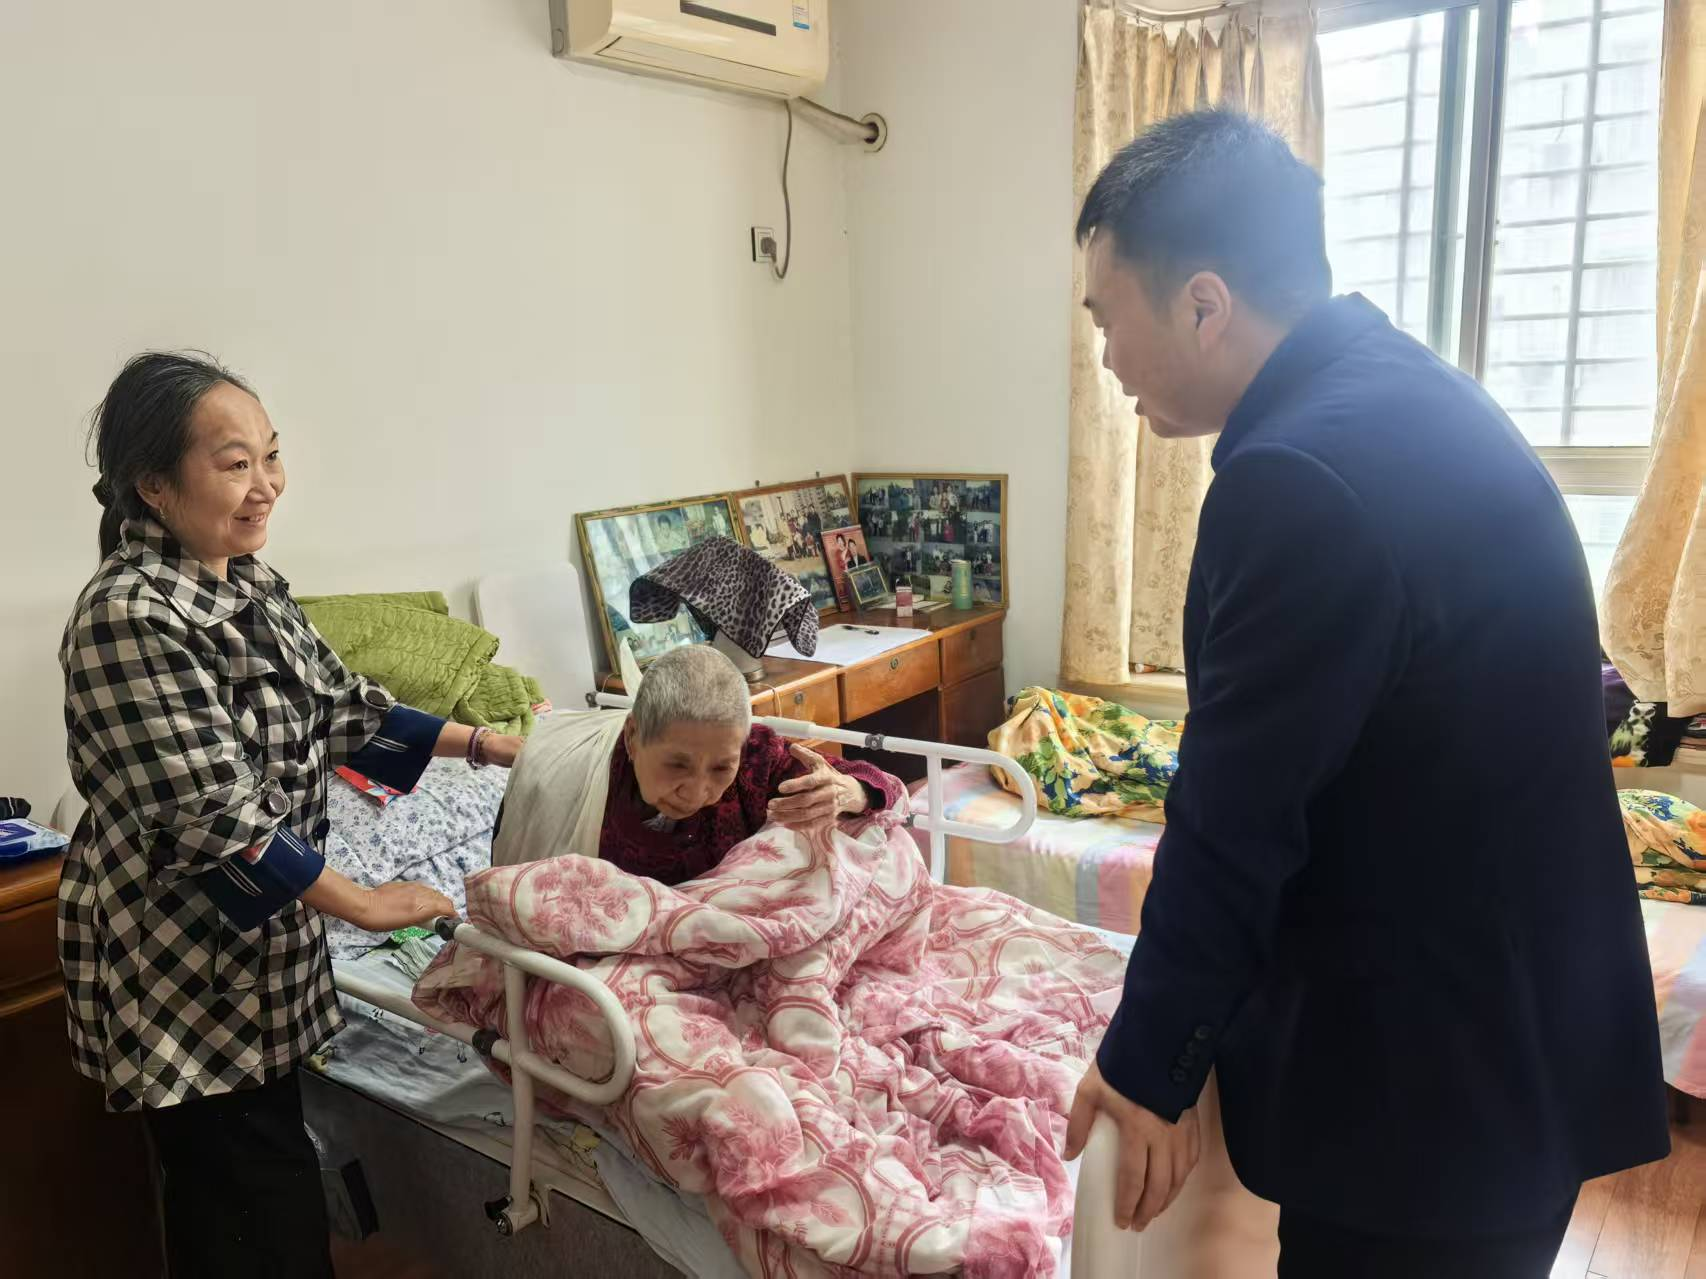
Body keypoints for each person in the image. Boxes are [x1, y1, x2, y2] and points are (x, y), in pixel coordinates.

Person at [1061, 110, 1668, 1276]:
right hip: (1521, 1030)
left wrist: (1144, 1066)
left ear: (1201, 304)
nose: (1104, 361)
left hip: (1432, 1089)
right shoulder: (1408, 395)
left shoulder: (1294, 478)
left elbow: (1234, 817)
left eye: (1104, 319)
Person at [60, 352, 526, 1278]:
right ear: (154, 484)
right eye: (235, 463)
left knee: (263, 1197)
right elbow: (214, 813)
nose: (266, 484)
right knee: (249, 1214)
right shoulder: (127, 614)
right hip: (183, 976)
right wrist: (367, 903)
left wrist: (493, 745)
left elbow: (347, 710)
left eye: (270, 455)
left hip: (263, 958)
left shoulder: (250, 582)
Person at [492, 645, 903, 881]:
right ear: (633, 738)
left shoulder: (756, 759)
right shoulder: (575, 779)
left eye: (721, 768)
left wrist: (851, 793)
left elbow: (885, 788)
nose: (697, 791)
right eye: (677, 766)